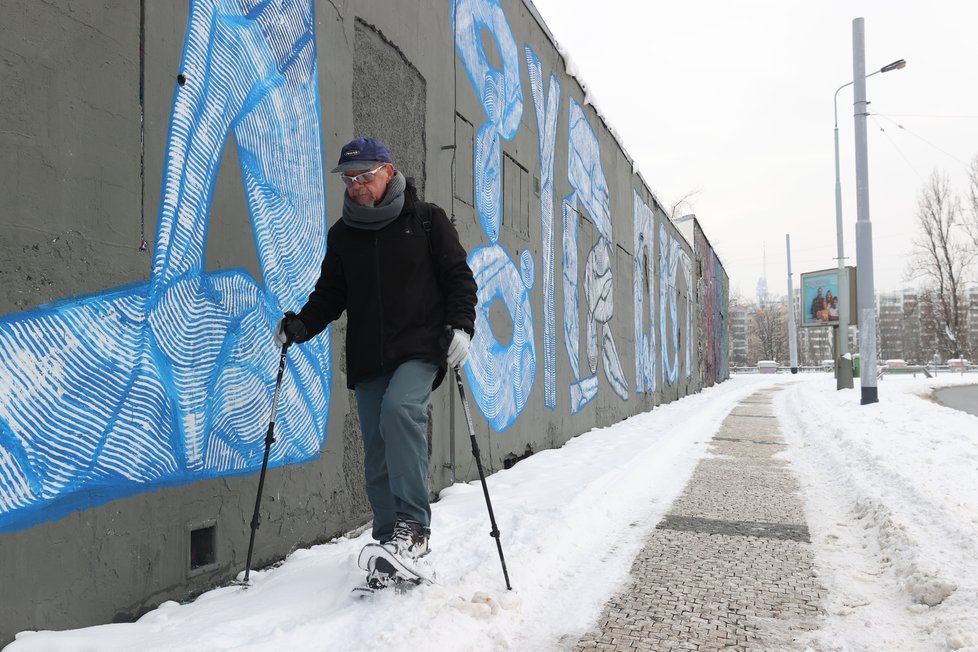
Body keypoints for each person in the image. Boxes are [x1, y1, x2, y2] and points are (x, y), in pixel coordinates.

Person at [276, 137, 477, 585]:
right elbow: (331, 294)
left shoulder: (426, 221)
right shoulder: (343, 234)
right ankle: (389, 540)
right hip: (369, 354)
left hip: (421, 346)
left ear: (388, 170)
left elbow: (458, 277)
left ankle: (414, 528)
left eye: (364, 176)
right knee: (376, 449)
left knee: (400, 410)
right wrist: (302, 326)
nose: (356, 186)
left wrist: (462, 326)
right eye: (349, 179)